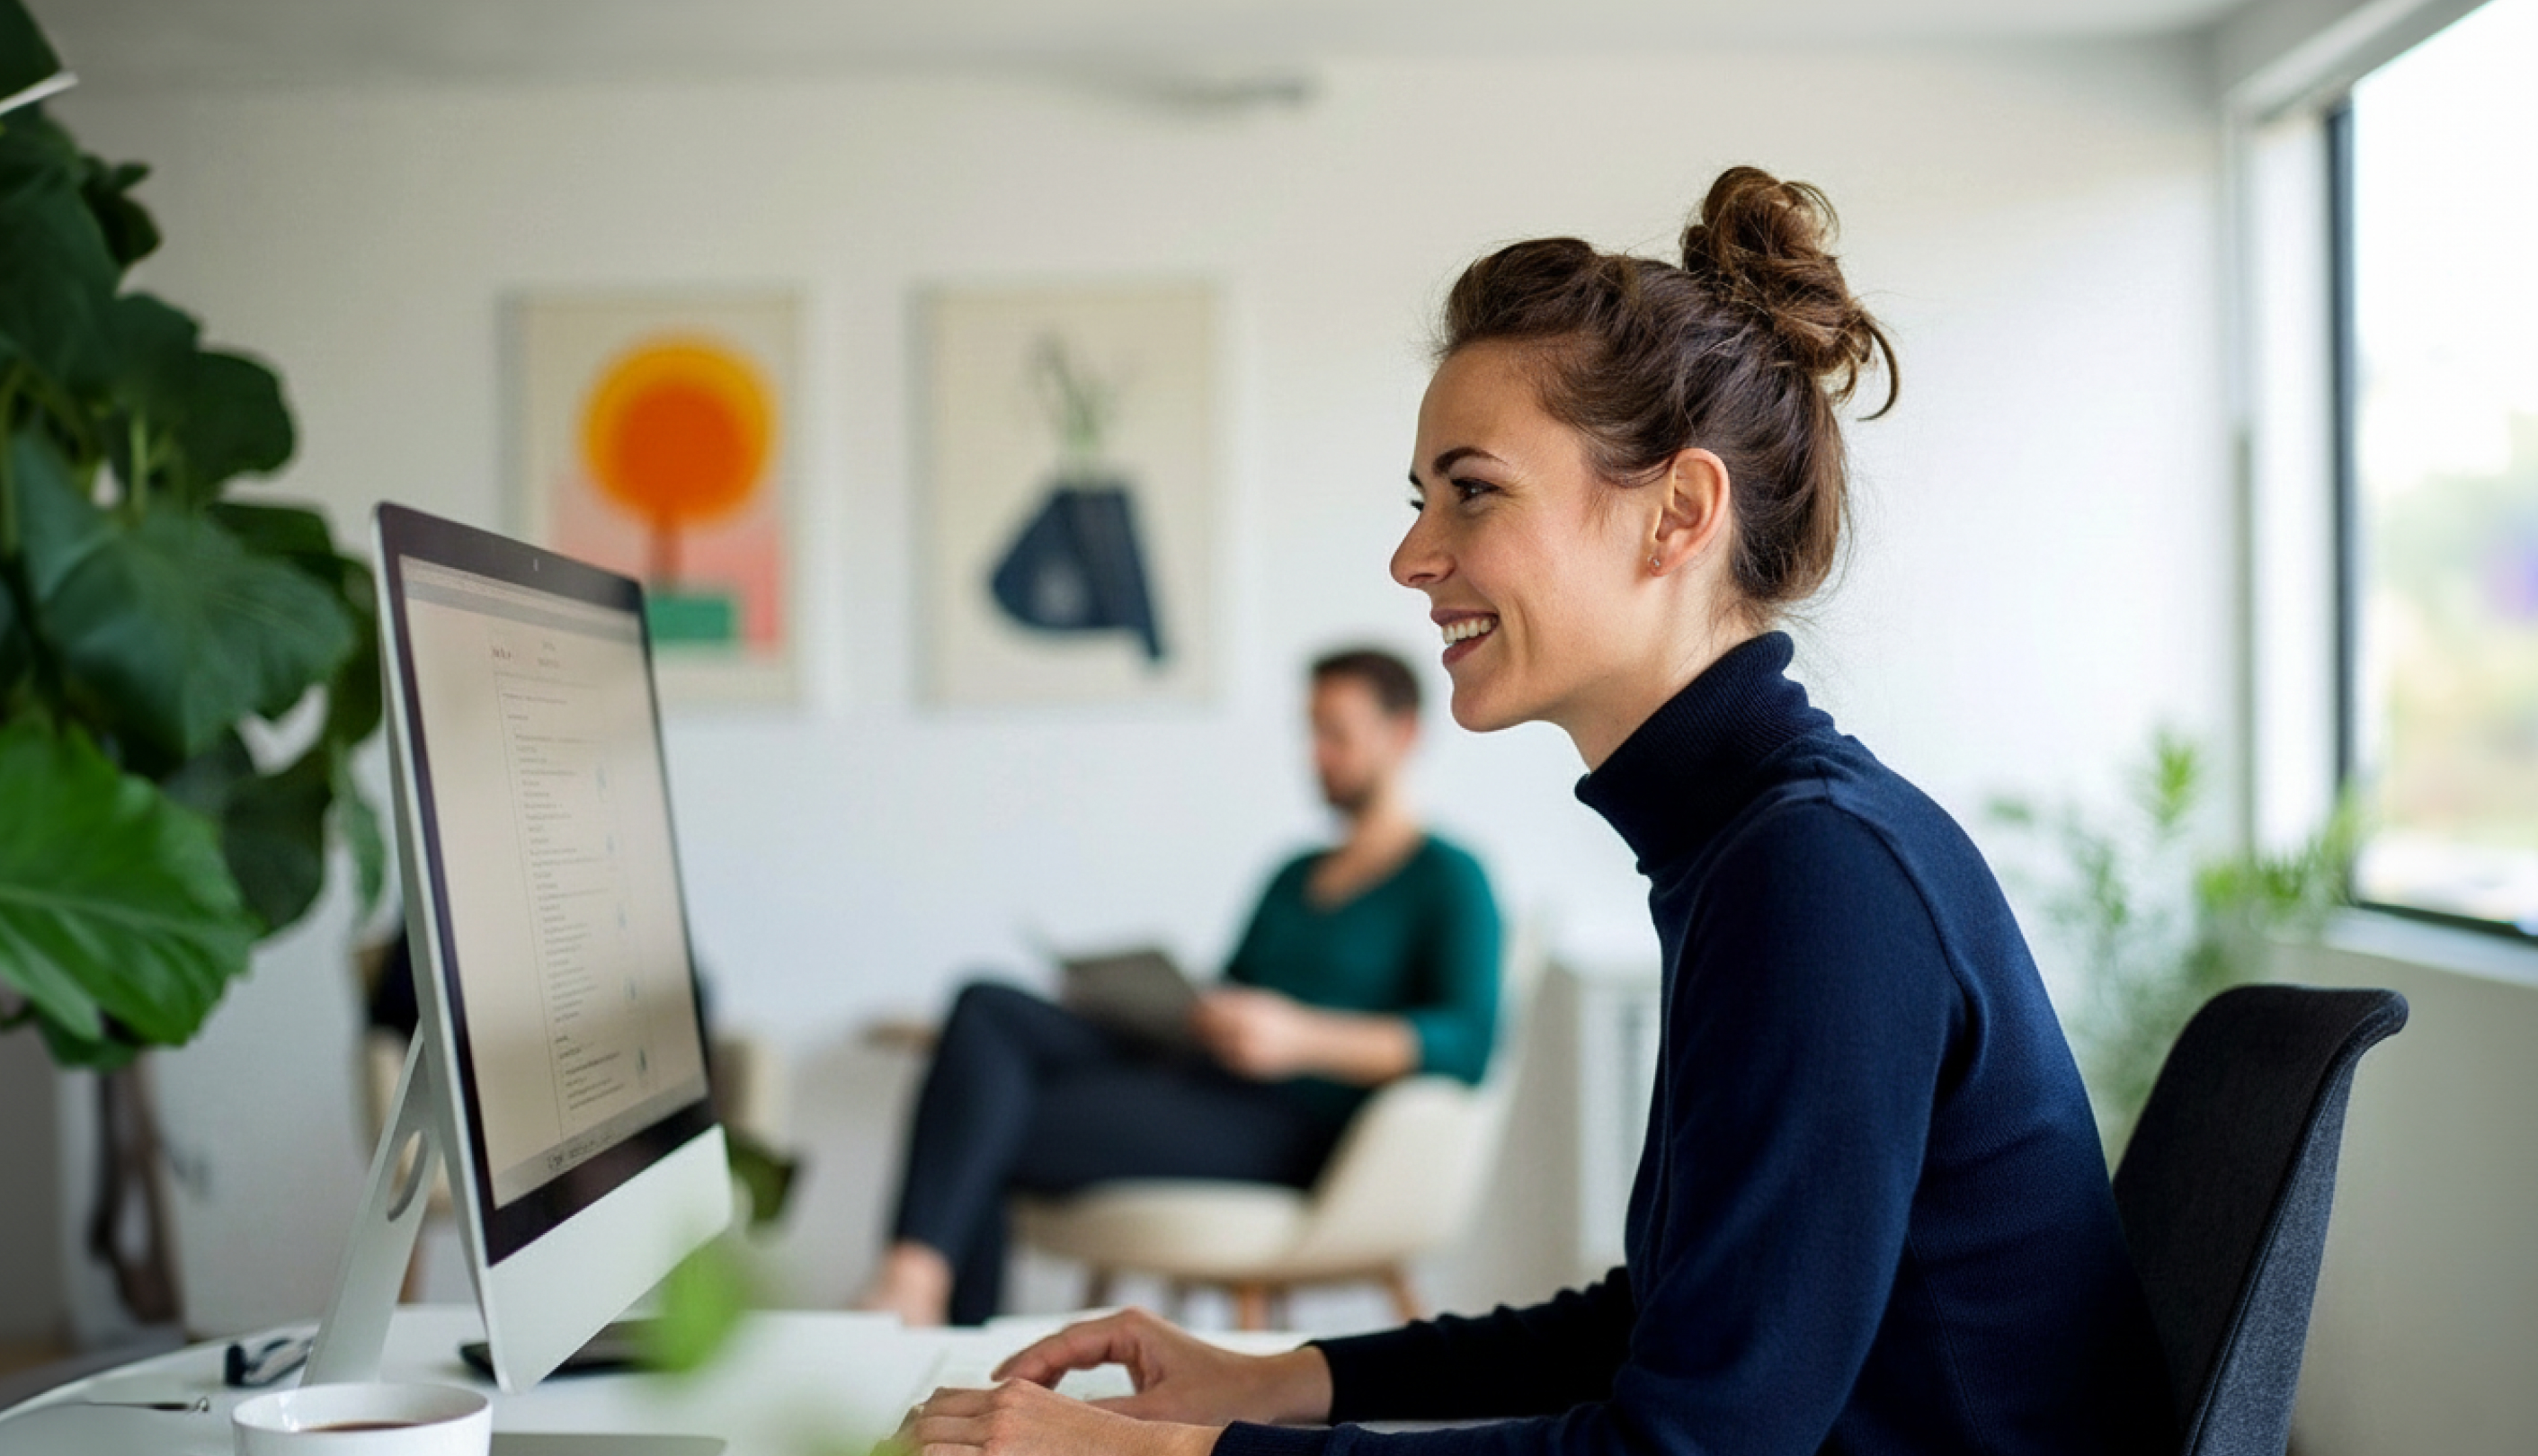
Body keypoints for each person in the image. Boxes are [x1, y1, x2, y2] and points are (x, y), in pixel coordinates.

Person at [894, 166, 2176, 1454]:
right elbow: (1667, 1323)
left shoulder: (1817, 877)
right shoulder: (1755, 848)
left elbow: (1684, 1448)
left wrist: (1174, 1454)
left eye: (1472, 490)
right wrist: (1265, 1383)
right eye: (1420, 500)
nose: (1411, 558)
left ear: (1677, 514)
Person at [860, 648, 1505, 1328]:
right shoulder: (1294, 873)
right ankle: (919, 1287)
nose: (1314, 753)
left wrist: (1301, 1039)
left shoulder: (1450, 879)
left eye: (1335, 733)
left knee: (984, 1115)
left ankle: (931, 1318)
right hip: (1203, 1073)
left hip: (1291, 1126)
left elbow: (1468, 1041)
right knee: (986, 1005)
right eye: (1308, 731)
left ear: (1402, 734)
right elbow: (1233, 987)